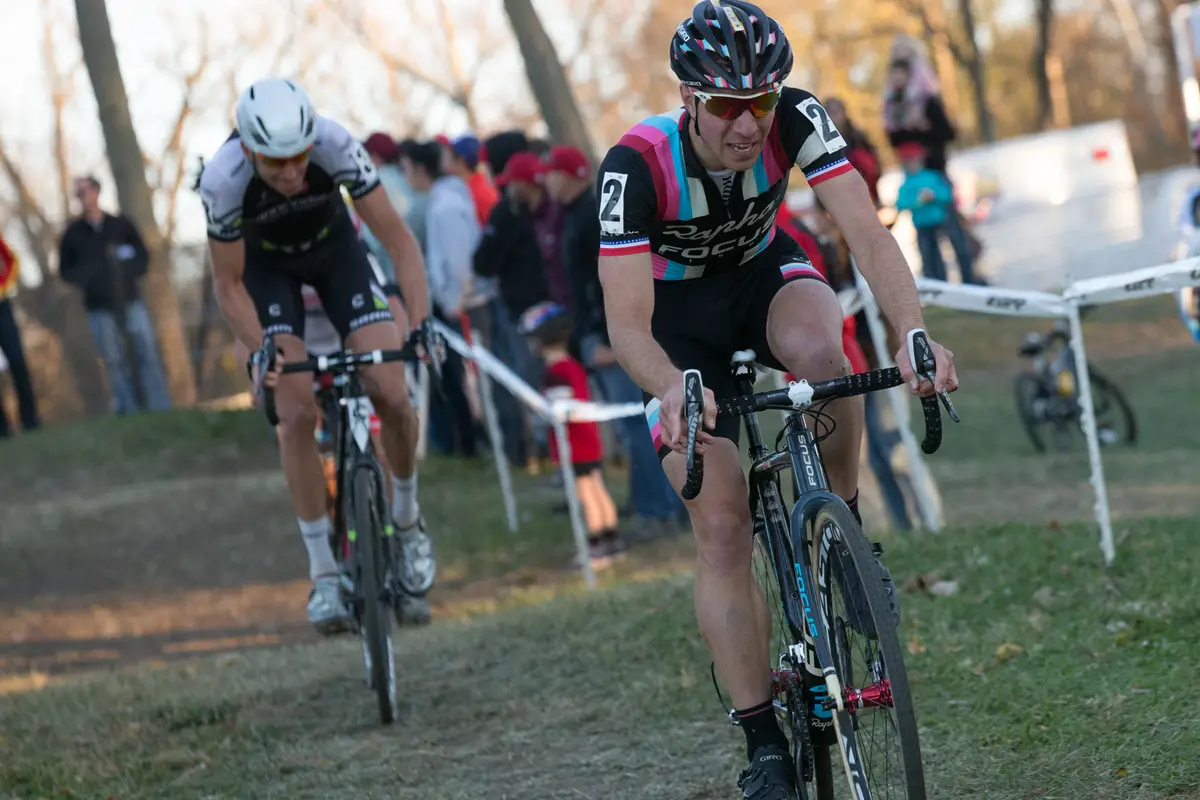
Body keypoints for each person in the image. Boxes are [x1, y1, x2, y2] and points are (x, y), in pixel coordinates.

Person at [595, 3, 958, 797]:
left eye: (762, 102)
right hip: (675, 327)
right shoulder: (635, 165)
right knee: (721, 524)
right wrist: (670, 392)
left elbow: (865, 234)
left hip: (766, 278)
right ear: (688, 100)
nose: (748, 124)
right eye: (728, 106)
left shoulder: (796, 117)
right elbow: (625, 326)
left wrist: (913, 333)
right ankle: (762, 743)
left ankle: (847, 536)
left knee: (828, 359)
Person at [198, 77, 437, 635]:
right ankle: (325, 574)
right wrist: (260, 350)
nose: (289, 172)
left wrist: (421, 323)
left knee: (393, 393)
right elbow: (229, 285)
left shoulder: (335, 145)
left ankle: (406, 520)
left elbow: (400, 243)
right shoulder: (222, 179)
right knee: (296, 416)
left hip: (339, 259)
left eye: (298, 158)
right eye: (274, 162)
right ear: (249, 151)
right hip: (269, 275)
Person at [542, 144, 686, 534]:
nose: (547, 180)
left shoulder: (592, 218)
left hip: (611, 337)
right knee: (631, 428)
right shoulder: (570, 217)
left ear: (571, 175)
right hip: (594, 334)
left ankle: (659, 511)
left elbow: (611, 283)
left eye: (553, 172)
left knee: (639, 425)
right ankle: (653, 503)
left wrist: (611, 337)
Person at [518, 301, 626, 566]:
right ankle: (612, 542)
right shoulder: (572, 365)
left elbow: (555, 409)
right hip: (589, 439)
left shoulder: (555, 372)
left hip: (573, 445)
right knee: (598, 489)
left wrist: (536, 413)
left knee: (586, 495)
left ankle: (595, 548)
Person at [59, 175, 172, 414]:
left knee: (147, 353)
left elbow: (142, 257)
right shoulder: (73, 234)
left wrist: (127, 271)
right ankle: (127, 409)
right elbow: (65, 271)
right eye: (78, 193)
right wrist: (89, 278)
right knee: (113, 360)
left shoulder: (120, 225)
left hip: (131, 300)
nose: (83, 197)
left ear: (97, 192)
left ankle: (160, 406)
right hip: (98, 307)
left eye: (86, 191)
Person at [894, 142, 977, 283]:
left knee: (957, 249)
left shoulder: (932, 176)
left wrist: (934, 196)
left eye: (915, 160)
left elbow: (947, 195)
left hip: (940, 220)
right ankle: (936, 285)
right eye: (909, 161)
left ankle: (968, 279)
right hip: (922, 226)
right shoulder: (906, 184)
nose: (912, 164)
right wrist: (918, 201)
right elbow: (901, 204)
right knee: (929, 257)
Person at [822, 97, 882, 206]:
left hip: (862, 184)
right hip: (839, 190)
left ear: (844, 113)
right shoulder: (822, 140)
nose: (833, 117)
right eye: (828, 113)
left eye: (835, 112)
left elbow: (872, 160)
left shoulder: (856, 136)